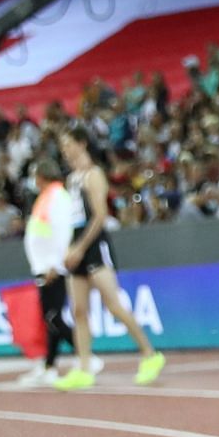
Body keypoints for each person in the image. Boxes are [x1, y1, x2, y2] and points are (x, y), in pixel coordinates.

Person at [54, 130, 164, 390]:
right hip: (77, 244)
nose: (66, 151)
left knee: (113, 304)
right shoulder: (71, 180)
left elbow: (100, 215)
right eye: (63, 147)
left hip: (94, 245)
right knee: (79, 310)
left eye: (69, 144)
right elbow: (72, 219)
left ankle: (150, 354)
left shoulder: (94, 175)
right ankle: (83, 367)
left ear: (82, 143)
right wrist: (69, 247)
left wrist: (81, 247)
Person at [15, 158, 78, 387]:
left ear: (41, 175)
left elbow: (62, 231)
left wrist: (56, 263)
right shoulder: (47, 196)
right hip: (43, 267)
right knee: (50, 318)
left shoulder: (58, 196)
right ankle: (49, 366)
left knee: (53, 317)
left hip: (52, 267)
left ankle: (85, 355)